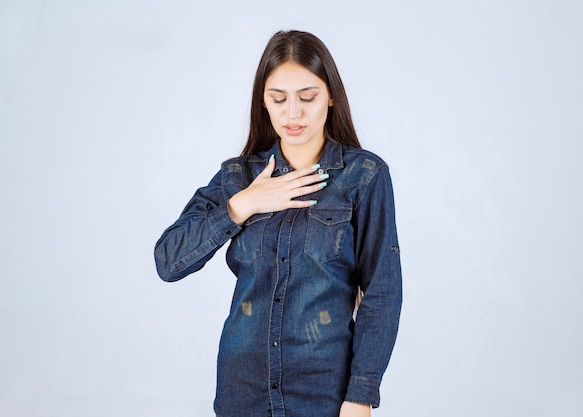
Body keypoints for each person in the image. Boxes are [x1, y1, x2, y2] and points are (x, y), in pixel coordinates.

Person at [154, 30, 402, 417]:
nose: (293, 113)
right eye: (278, 98)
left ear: (331, 96)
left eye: (307, 97)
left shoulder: (364, 176)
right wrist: (241, 205)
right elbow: (168, 262)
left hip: (324, 392)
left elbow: (382, 293)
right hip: (243, 390)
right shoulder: (238, 177)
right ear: (263, 102)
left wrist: (361, 394)